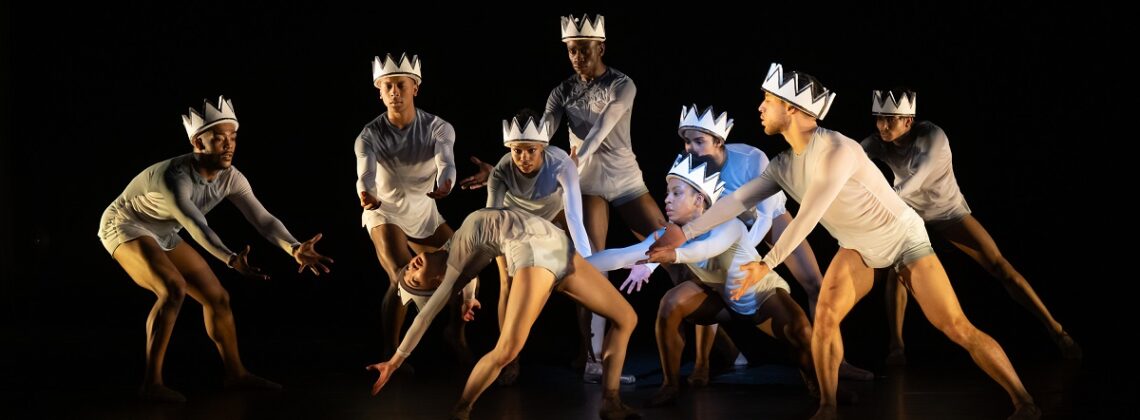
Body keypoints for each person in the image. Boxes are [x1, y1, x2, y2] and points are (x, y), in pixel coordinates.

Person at [648, 63, 1040, 419]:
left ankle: (1024, 402)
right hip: (857, 246)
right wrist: (684, 233)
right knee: (826, 318)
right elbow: (735, 201)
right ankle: (828, 407)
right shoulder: (784, 164)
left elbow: (808, 216)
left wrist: (766, 264)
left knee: (956, 326)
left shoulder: (836, 150)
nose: (761, 107)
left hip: (903, 238)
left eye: (769, 100)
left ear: (795, 111)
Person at [97, 96, 333, 402]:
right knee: (172, 289)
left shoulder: (232, 177)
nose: (228, 145)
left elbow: (262, 219)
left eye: (232, 138)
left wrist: (294, 247)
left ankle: (236, 375)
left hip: (163, 230)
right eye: (219, 139)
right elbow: (197, 227)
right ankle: (151, 384)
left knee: (218, 297)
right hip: (125, 225)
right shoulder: (175, 177)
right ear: (198, 142)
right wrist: (232, 259)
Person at [590, 153, 834, 407]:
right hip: (718, 299)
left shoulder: (727, 224)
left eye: (676, 193)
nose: (667, 199)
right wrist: (574, 265)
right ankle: (670, 385)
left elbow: (706, 249)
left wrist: (673, 254)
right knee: (671, 302)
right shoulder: (667, 234)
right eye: (667, 193)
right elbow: (620, 256)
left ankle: (823, 389)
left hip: (759, 296)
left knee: (801, 331)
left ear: (699, 199)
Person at [861, 89, 1080, 364]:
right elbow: (852, 159)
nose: (882, 126)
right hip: (911, 215)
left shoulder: (932, 136)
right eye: (878, 118)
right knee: (899, 272)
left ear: (908, 120)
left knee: (1000, 267)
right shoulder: (878, 142)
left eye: (889, 120)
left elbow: (918, 178)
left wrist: (882, 196)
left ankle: (1057, 330)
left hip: (948, 212)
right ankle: (896, 346)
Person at [365, 208, 640, 420]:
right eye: (415, 279)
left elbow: (469, 273)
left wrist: (470, 298)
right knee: (508, 349)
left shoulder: (456, 251)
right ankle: (461, 411)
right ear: (435, 284)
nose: (411, 269)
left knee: (626, 318)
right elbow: (424, 317)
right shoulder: (451, 275)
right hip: (535, 255)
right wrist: (396, 360)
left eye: (407, 271)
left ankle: (610, 401)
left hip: (559, 245)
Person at [356, 53, 474, 363]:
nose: (394, 92)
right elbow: (365, 174)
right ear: (379, 92)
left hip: (424, 212)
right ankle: (390, 349)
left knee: (465, 264)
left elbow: (446, 162)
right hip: (385, 212)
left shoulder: (438, 127)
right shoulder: (369, 135)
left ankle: (455, 333)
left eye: (401, 86)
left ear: (415, 88)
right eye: (388, 87)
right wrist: (366, 194)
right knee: (400, 277)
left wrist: (447, 182)